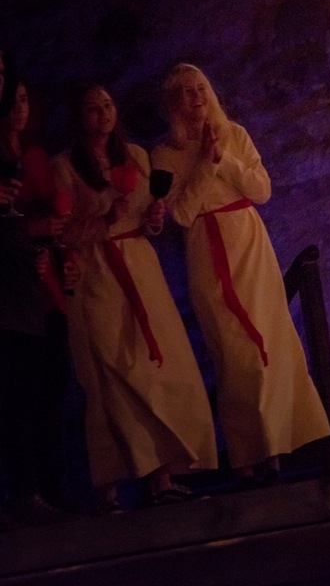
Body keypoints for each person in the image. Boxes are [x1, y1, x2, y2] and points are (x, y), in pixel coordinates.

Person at [152, 63, 330, 484]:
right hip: (208, 253)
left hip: (249, 246)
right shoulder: (165, 155)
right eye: (186, 92)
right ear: (173, 103)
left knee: (271, 341)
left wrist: (223, 159)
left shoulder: (234, 134)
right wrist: (205, 165)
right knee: (236, 355)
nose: (196, 97)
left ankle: (278, 451)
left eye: (200, 88)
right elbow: (182, 212)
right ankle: (247, 457)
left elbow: (261, 189)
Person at [53, 83, 217, 511]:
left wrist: (153, 219)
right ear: (80, 117)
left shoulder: (137, 158)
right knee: (111, 375)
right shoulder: (65, 166)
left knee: (157, 366)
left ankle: (163, 477)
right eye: (93, 108)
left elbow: (147, 221)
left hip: (141, 269)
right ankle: (109, 486)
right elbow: (61, 234)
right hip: (98, 273)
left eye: (108, 105)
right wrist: (104, 219)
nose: (103, 113)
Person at [0, 66, 74, 525]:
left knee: (50, 390)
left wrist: (54, 247)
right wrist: (34, 232)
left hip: (38, 282)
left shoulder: (33, 157)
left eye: (24, 98)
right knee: (19, 395)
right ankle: (24, 492)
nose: (18, 107)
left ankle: (50, 487)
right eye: (12, 98)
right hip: (13, 286)